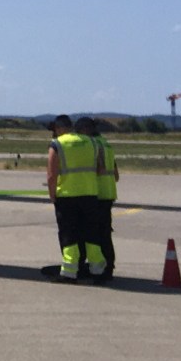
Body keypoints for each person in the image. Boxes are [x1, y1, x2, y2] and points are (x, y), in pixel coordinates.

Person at [45, 114, 106, 280]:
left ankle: (69, 271)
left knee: (68, 234)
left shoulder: (57, 144)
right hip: (90, 195)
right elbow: (101, 169)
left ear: (60, 128)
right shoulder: (92, 142)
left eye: (55, 130)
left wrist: (52, 195)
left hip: (67, 196)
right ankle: (97, 270)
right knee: (92, 234)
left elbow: (51, 175)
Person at [83, 116, 119, 282]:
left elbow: (98, 169)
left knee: (96, 235)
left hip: (97, 194)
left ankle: (100, 268)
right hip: (109, 193)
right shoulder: (107, 144)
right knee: (105, 233)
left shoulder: (94, 145)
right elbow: (116, 175)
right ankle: (108, 267)